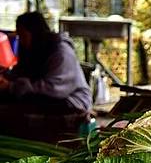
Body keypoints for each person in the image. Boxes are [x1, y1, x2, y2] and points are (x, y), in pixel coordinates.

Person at [0, 12, 92, 140]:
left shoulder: (61, 50)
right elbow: (20, 73)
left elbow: (54, 89)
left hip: (71, 101)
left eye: (23, 35)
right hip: (44, 95)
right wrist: (6, 78)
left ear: (34, 31)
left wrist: (11, 86)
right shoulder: (32, 49)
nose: (21, 39)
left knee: (21, 105)